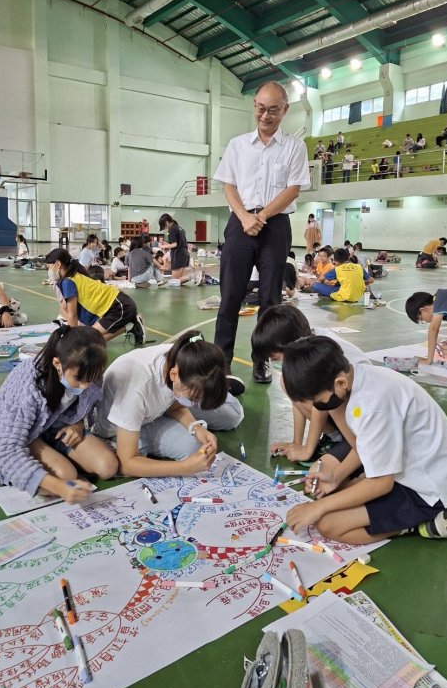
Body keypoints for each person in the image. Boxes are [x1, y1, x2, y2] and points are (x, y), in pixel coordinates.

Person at [283, 337, 447, 543]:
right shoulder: (360, 377)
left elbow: (381, 484)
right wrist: (336, 477)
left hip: (428, 490)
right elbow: (364, 446)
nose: (319, 408)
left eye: (318, 401)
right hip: (413, 470)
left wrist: (315, 508)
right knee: (335, 495)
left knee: (328, 523)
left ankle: (424, 523)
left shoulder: (373, 406)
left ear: (340, 383)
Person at [212, 81, 310, 384]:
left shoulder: (295, 147)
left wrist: (262, 216)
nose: (265, 116)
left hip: (275, 225)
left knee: (270, 300)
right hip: (240, 224)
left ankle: (262, 360)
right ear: (254, 105)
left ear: (285, 110)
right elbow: (228, 185)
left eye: (273, 110)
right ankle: (221, 362)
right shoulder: (238, 145)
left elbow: (293, 189)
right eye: (261, 108)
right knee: (230, 296)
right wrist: (244, 217)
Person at [0, 325, 118, 502]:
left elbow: (87, 405)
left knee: (107, 466)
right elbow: (7, 452)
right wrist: (60, 488)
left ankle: (57, 460)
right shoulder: (27, 390)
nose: (85, 385)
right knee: (66, 476)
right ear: (57, 364)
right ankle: (54, 465)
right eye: (78, 378)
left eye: (91, 378)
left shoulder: (90, 370)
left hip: (55, 428)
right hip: (23, 435)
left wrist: (76, 424)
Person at [93, 331, 244, 478]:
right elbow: (127, 464)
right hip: (122, 427)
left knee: (233, 414)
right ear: (174, 375)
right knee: (194, 449)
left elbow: (175, 405)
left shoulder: (183, 355)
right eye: (195, 397)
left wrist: (195, 427)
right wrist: (184, 468)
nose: (195, 403)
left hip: (156, 407)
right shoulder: (136, 389)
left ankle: (210, 386)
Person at [252, 305, 370, 465]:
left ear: (290, 345)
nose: (277, 363)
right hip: (342, 403)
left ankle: (343, 441)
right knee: (288, 382)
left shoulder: (319, 354)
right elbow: (300, 395)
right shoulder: (306, 343)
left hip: (362, 413)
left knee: (322, 395)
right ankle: (337, 438)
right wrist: (296, 444)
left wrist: (307, 450)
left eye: (276, 359)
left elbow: (321, 404)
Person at [44, 248, 145, 344]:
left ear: (57, 264)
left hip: (120, 307)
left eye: (48, 267)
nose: (48, 271)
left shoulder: (67, 281)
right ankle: (131, 324)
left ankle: (131, 325)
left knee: (86, 340)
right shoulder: (72, 277)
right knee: (85, 340)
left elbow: (72, 315)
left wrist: (70, 339)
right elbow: (65, 309)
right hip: (119, 304)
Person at [158, 213, 202, 285]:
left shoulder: (172, 230)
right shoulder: (180, 228)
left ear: (166, 222)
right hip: (185, 254)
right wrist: (166, 243)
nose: (166, 229)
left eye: (164, 226)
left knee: (173, 282)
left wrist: (162, 246)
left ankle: (194, 275)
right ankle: (193, 276)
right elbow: (178, 242)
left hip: (178, 255)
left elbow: (174, 245)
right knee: (179, 280)